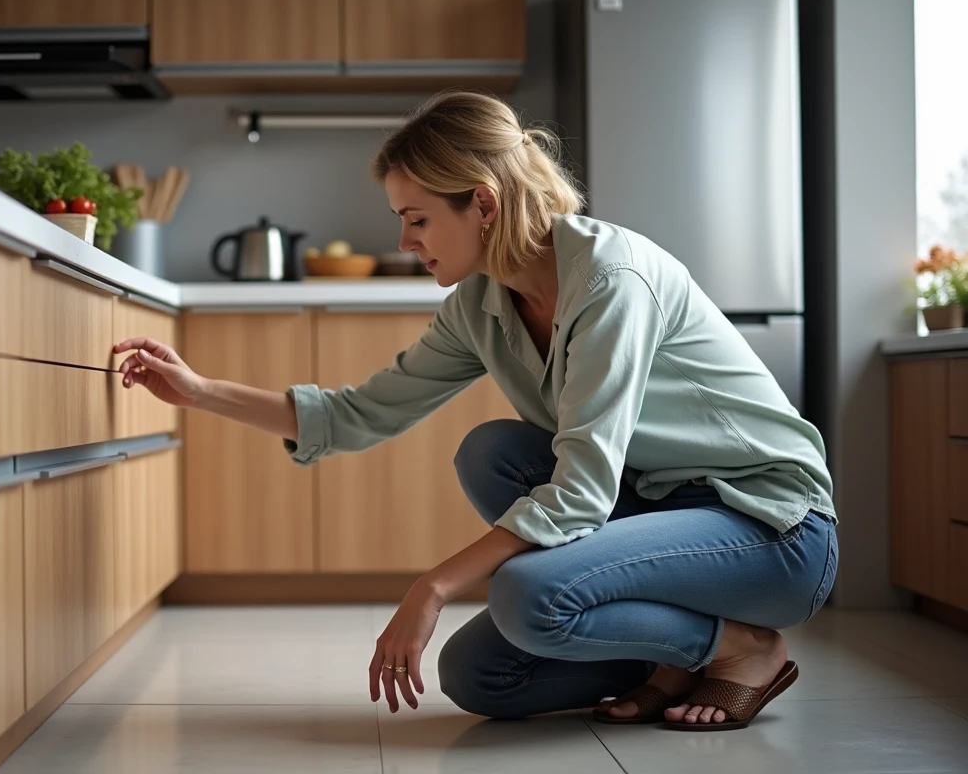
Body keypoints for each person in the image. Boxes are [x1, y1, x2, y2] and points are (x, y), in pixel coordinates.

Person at [112, 90, 838, 732]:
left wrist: (432, 587)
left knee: (527, 592)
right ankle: (677, 657)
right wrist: (199, 391)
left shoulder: (613, 279)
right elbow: (358, 413)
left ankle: (743, 648)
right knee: (480, 669)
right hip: (654, 506)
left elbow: (581, 489)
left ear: (483, 203)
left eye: (417, 218)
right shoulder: (480, 306)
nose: (404, 242)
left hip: (770, 527)